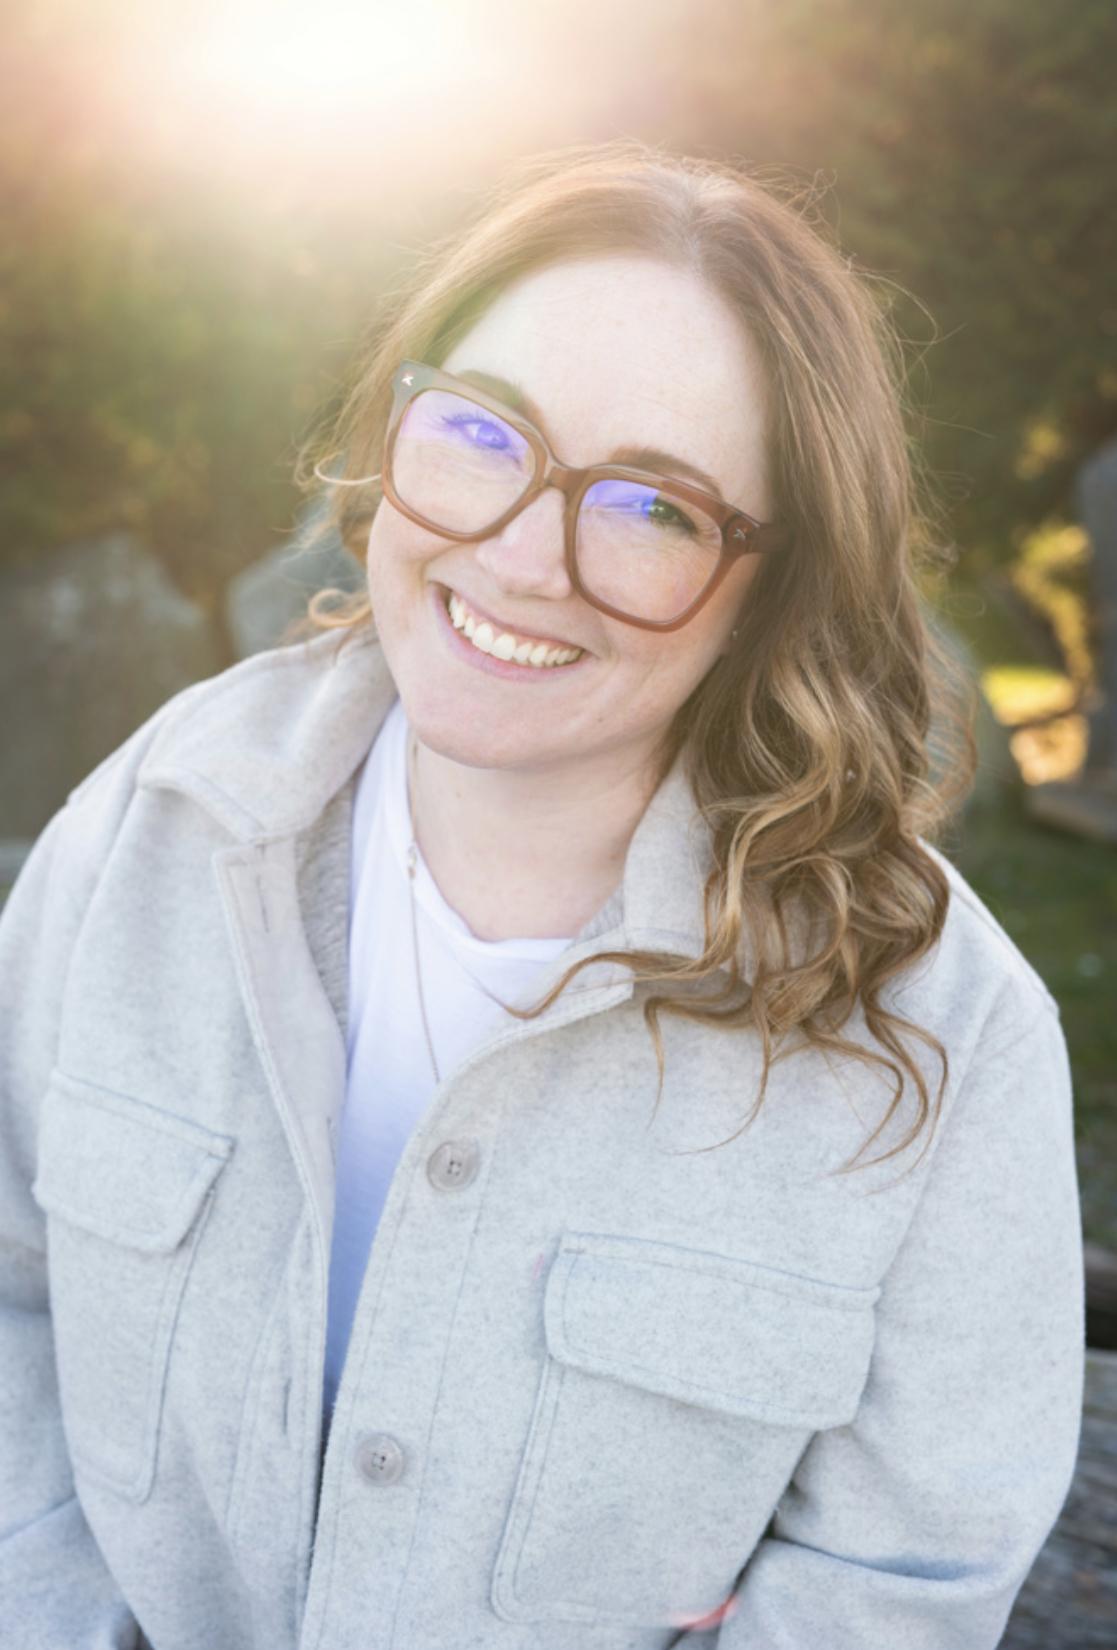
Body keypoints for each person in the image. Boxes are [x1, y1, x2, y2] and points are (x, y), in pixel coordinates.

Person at [0, 139, 1085, 1650]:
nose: (518, 555)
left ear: (779, 582)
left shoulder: (944, 1042)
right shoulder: (139, 837)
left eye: (652, 508)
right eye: (478, 432)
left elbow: (908, 1570)